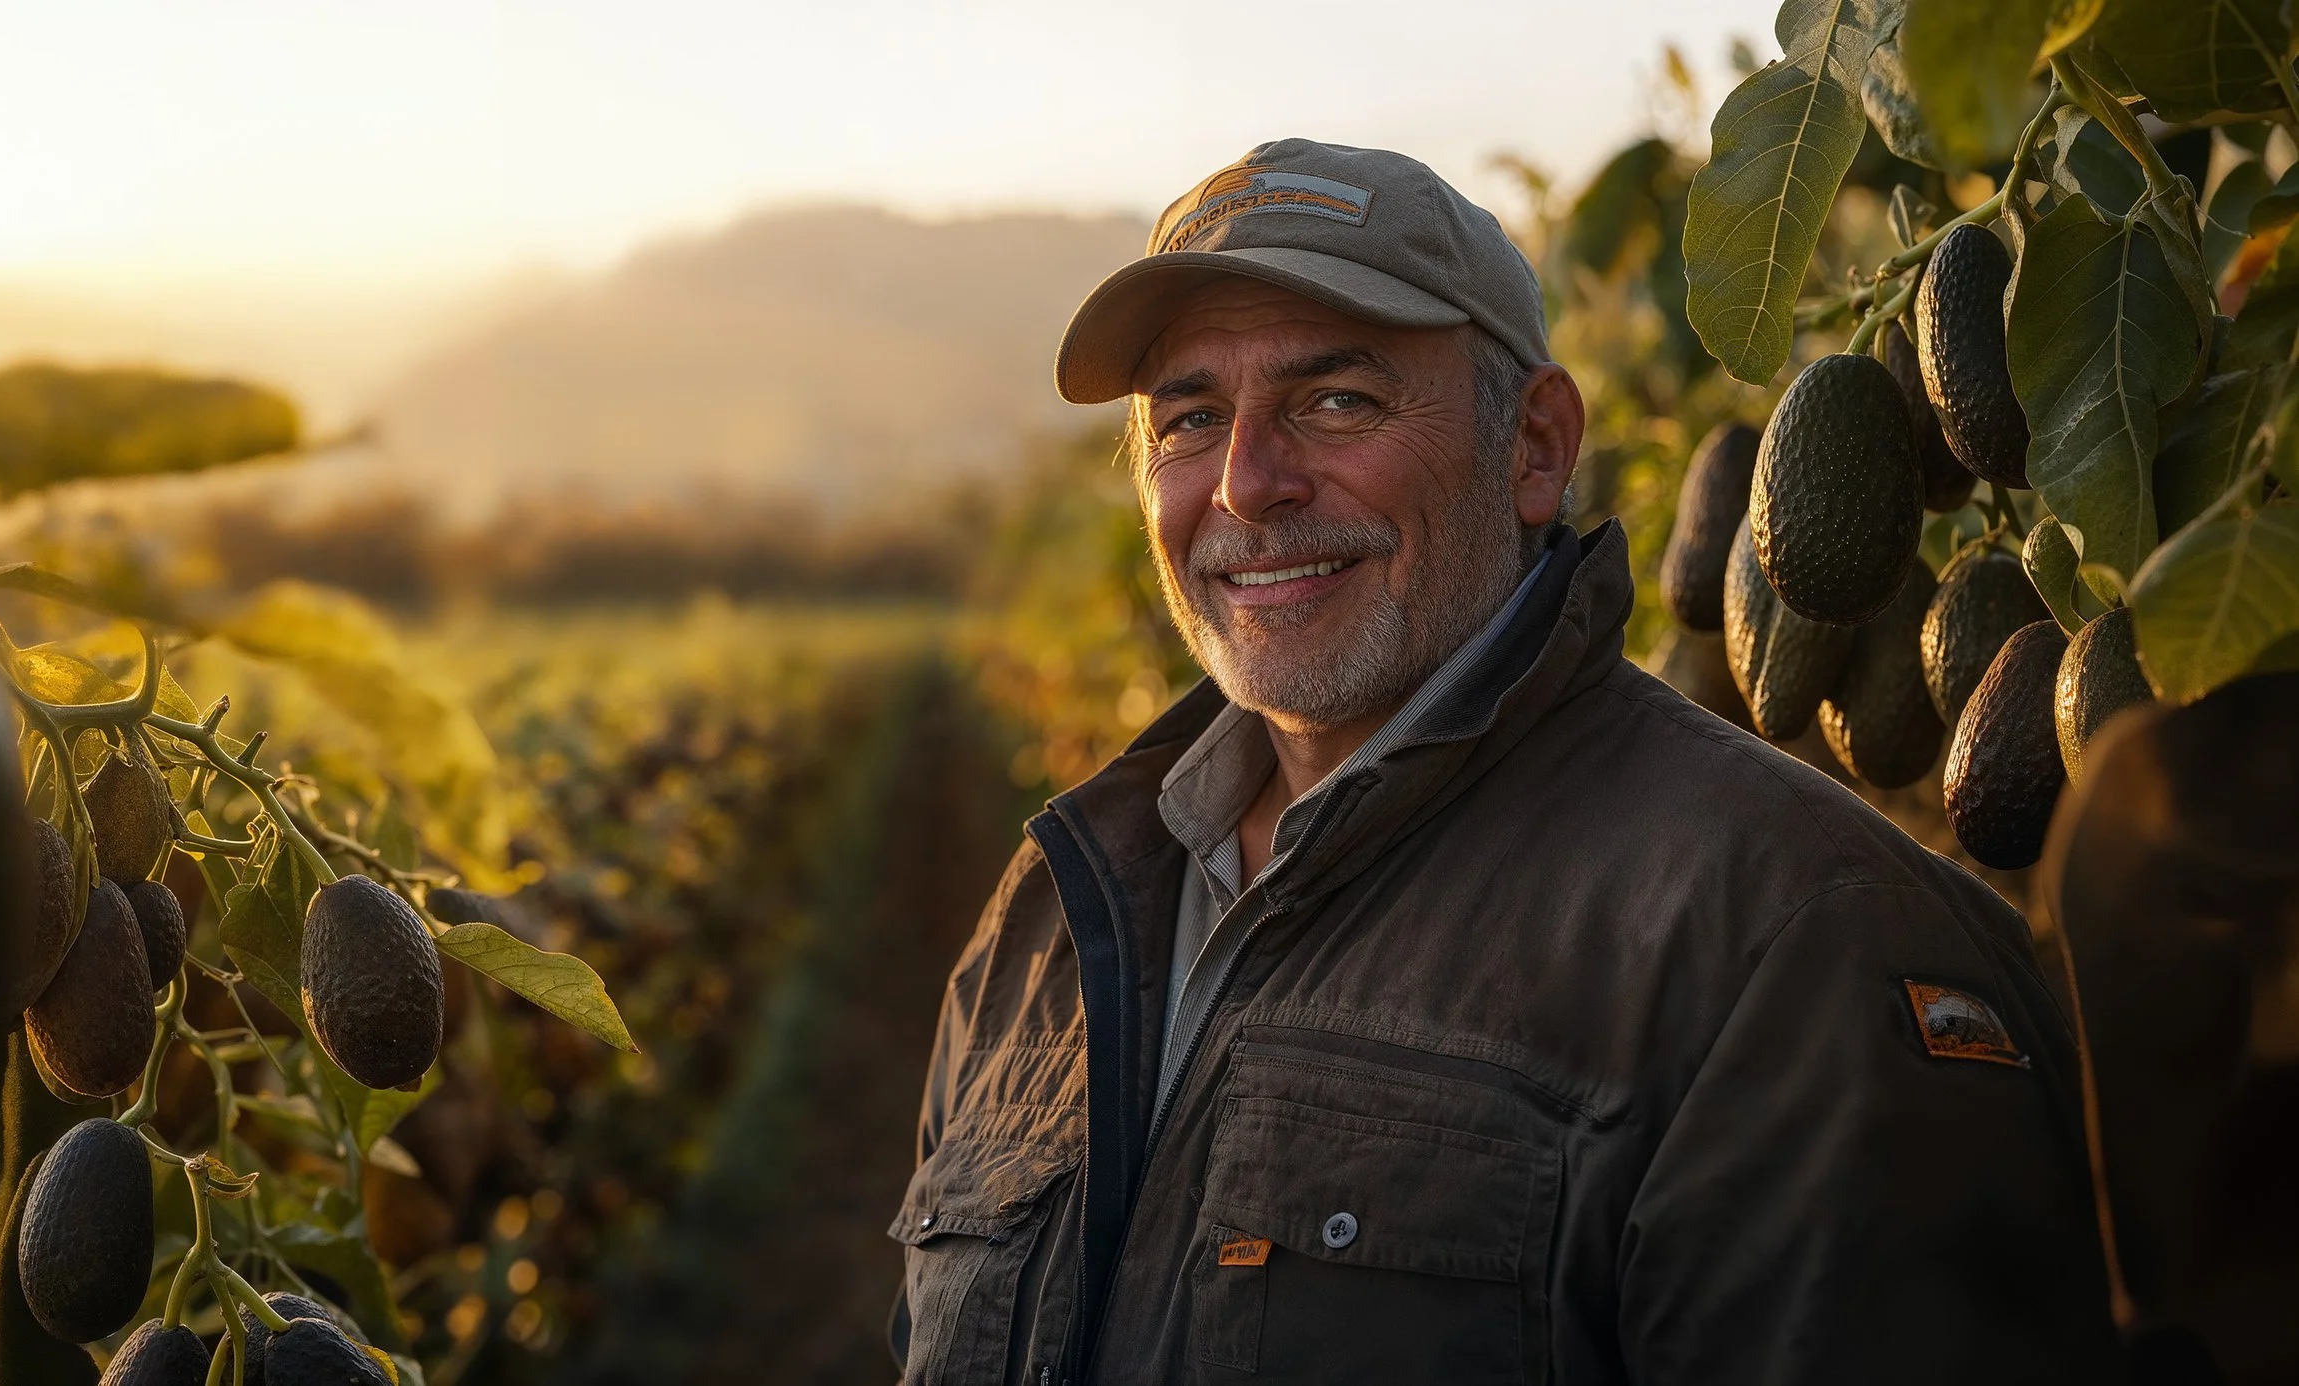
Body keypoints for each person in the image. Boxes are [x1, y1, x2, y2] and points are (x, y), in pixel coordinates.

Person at [891, 139, 2121, 1385]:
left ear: (1536, 446)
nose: (1246, 485)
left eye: (1337, 400)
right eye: (1191, 419)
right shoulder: (1053, 912)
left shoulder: (1800, 942)